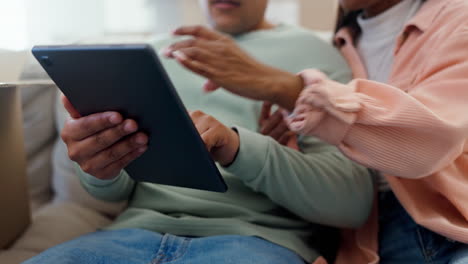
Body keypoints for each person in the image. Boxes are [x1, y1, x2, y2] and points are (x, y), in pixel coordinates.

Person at [24, 0, 373, 263]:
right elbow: (112, 190)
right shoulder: (153, 54)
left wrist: (237, 146)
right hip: (128, 235)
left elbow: (352, 203)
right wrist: (101, 164)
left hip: (253, 243)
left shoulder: (313, 57)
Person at [164, 0, 468, 263]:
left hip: (446, 230)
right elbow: (343, 167)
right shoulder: (338, 44)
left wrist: (291, 92)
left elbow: (428, 144)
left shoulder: (457, 20)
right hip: (364, 240)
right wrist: (301, 123)